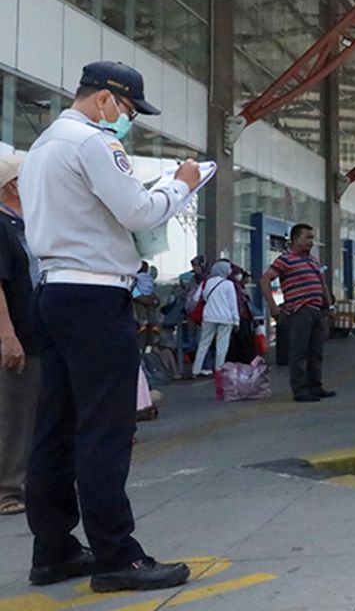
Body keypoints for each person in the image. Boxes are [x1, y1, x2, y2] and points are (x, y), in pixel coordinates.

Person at [22, 60, 199, 592]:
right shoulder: (94, 143)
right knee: (104, 428)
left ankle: (53, 550)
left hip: (53, 291)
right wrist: (182, 186)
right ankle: (117, 555)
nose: (127, 120)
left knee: (54, 427)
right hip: (97, 296)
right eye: (126, 109)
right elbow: (140, 212)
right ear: (103, 100)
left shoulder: (43, 149)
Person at [0, 154, 38, 517]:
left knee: (33, 410)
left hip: (37, 333)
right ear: (12, 185)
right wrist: (7, 335)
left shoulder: (26, 223)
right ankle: (6, 489)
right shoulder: (2, 225)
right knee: (14, 411)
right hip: (17, 333)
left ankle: (27, 481)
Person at [260, 224, 335, 402]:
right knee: (299, 352)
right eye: (307, 237)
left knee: (316, 351)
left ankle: (315, 386)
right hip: (299, 310)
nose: (311, 242)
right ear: (294, 239)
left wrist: (329, 305)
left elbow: (321, 282)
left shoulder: (312, 260)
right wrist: (273, 306)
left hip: (317, 310)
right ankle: (300, 390)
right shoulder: (285, 260)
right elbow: (265, 280)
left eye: (312, 238)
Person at [191, 260, 238, 377]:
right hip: (225, 318)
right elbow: (233, 304)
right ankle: (219, 369)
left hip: (208, 317)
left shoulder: (205, 283)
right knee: (222, 345)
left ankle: (195, 370)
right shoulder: (228, 284)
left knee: (203, 344)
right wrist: (236, 320)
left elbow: (196, 298)